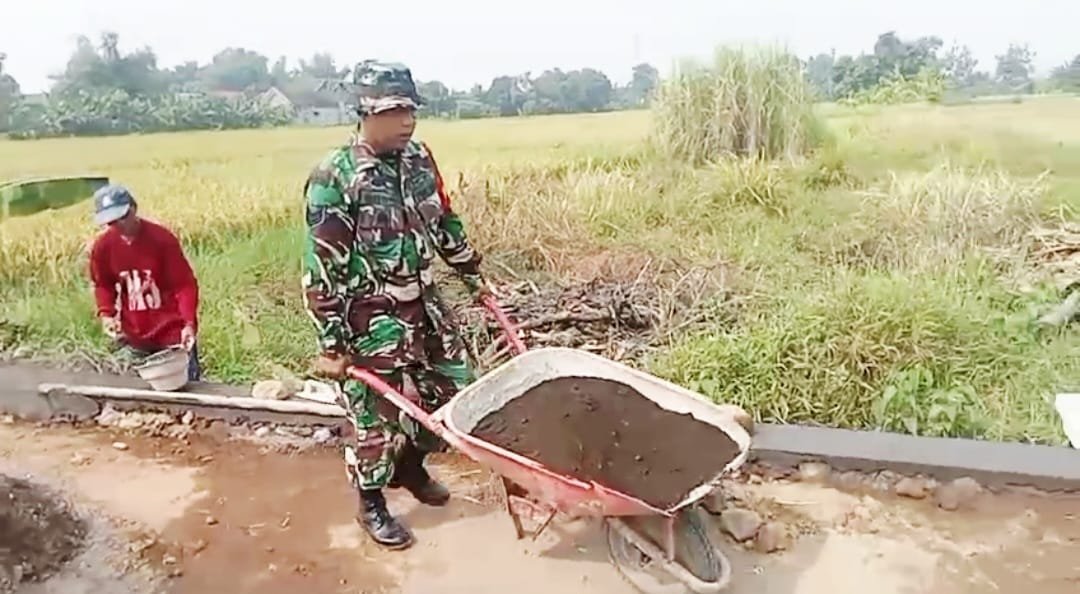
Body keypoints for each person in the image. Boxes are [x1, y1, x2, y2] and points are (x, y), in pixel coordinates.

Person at [301, 60, 492, 550]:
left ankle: (410, 468)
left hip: (424, 305)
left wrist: (474, 278)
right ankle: (371, 504)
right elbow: (323, 268)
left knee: (456, 397)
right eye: (394, 110)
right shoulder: (335, 177)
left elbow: (444, 221)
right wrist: (332, 343)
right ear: (365, 112)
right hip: (369, 320)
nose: (407, 120)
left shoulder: (419, 159)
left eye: (411, 108)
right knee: (375, 420)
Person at [87, 184, 201, 381]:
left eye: (123, 217)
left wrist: (188, 323)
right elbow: (103, 284)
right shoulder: (103, 247)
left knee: (186, 391)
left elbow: (184, 285)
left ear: (133, 208)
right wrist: (107, 314)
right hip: (135, 337)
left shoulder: (161, 239)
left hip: (172, 334)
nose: (119, 225)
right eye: (112, 222)